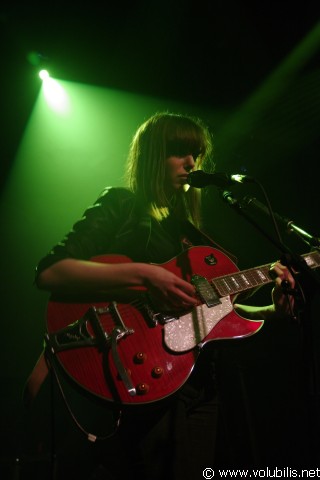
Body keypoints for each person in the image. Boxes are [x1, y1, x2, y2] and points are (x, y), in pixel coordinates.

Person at [34, 111, 295, 479]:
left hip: (200, 386)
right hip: (147, 378)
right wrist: (146, 275)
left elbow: (212, 314)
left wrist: (273, 308)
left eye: (197, 154)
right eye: (179, 151)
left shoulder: (188, 232)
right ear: (154, 155)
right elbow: (51, 271)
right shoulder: (121, 205)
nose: (191, 162)